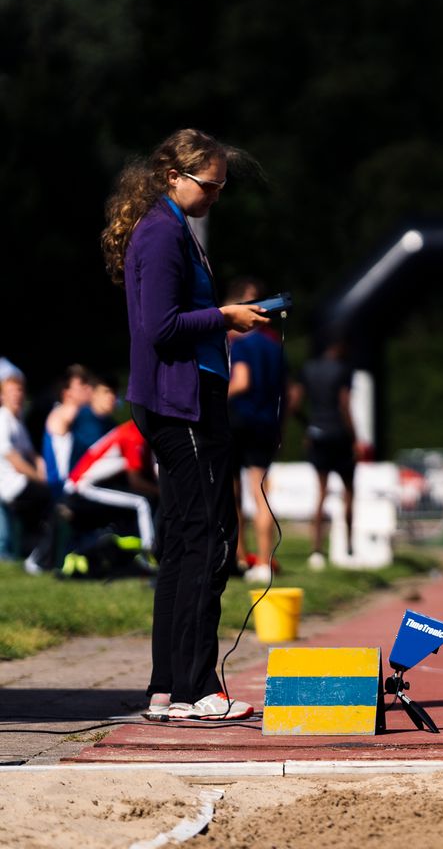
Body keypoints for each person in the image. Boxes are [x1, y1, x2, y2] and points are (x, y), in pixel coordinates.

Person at [103, 127, 272, 721]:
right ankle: (196, 687)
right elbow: (161, 327)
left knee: (181, 542)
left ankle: (167, 687)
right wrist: (224, 316)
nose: (216, 197)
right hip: (182, 402)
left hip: (182, 399)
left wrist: (220, 319)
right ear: (175, 177)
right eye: (211, 186)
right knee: (207, 541)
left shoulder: (172, 228)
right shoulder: (161, 233)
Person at [225, 277, 288, 583]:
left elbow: (241, 380)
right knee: (260, 493)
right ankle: (264, 563)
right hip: (267, 423)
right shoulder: (275, 345)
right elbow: (286, 393)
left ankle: (239, 557)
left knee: (234, 494)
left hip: (239, 421)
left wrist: (207, 397)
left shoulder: (242, 344)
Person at [65, 418, 160, 555]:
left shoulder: (137, 431)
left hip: (100, 483)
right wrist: (160, 492)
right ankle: (150, 552)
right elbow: (135, 481)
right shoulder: (133, 434)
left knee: (141, 501)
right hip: (83, 485)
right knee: (142, 502)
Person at [301, 341, 356, 567]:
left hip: (317, 434)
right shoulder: (344, 370)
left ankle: (316, 550)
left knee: (321, 493)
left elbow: (294, 400)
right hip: (339, 434)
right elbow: (344, 404)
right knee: (349, 491)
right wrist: (354, 436)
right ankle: (350, 546)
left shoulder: (308, 369)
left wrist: (308, 425)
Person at [0, 363, 56, 572]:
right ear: (2, 396)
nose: (18, 395)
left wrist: (42, 465)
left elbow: (30, 453)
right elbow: (14, 458)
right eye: (13, 392)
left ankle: (34, 550)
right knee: (51, 501)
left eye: (20, 391)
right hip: (10, 485)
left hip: (21, 481)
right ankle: (40, 556)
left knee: (47, 502)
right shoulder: (3, 420)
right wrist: (40, 477)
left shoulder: (18, 421)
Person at [41, 366, 108, 487]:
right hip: (63, 485)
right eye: (82, 385)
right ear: (67, 393)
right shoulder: (65, 412)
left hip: (67, 483)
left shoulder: (72, 413)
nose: (88, 388)